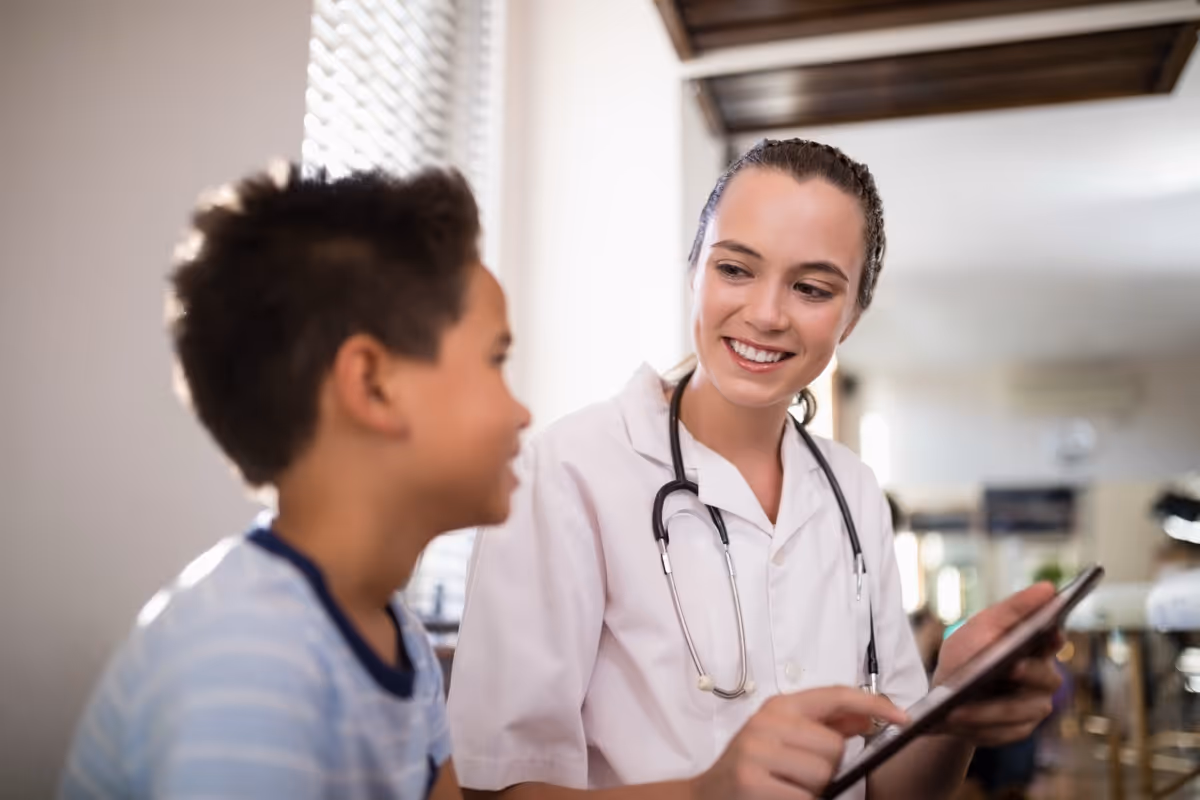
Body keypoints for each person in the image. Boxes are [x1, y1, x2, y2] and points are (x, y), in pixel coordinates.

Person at [447, 138, 1062, 800]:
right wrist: (706, 793)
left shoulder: (853, 490)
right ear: (695, 272)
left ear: (851, 318)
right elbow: (491, 789)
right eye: (735, 269)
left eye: (812, 288)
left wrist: (951, 706)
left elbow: (891, 786)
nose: (766, 314)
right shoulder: (566, 472)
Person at [60, 163, 530, 798]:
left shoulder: (400, 639)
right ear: (372, 384)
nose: (522, 411)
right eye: (496, 359)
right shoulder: (244, 657)